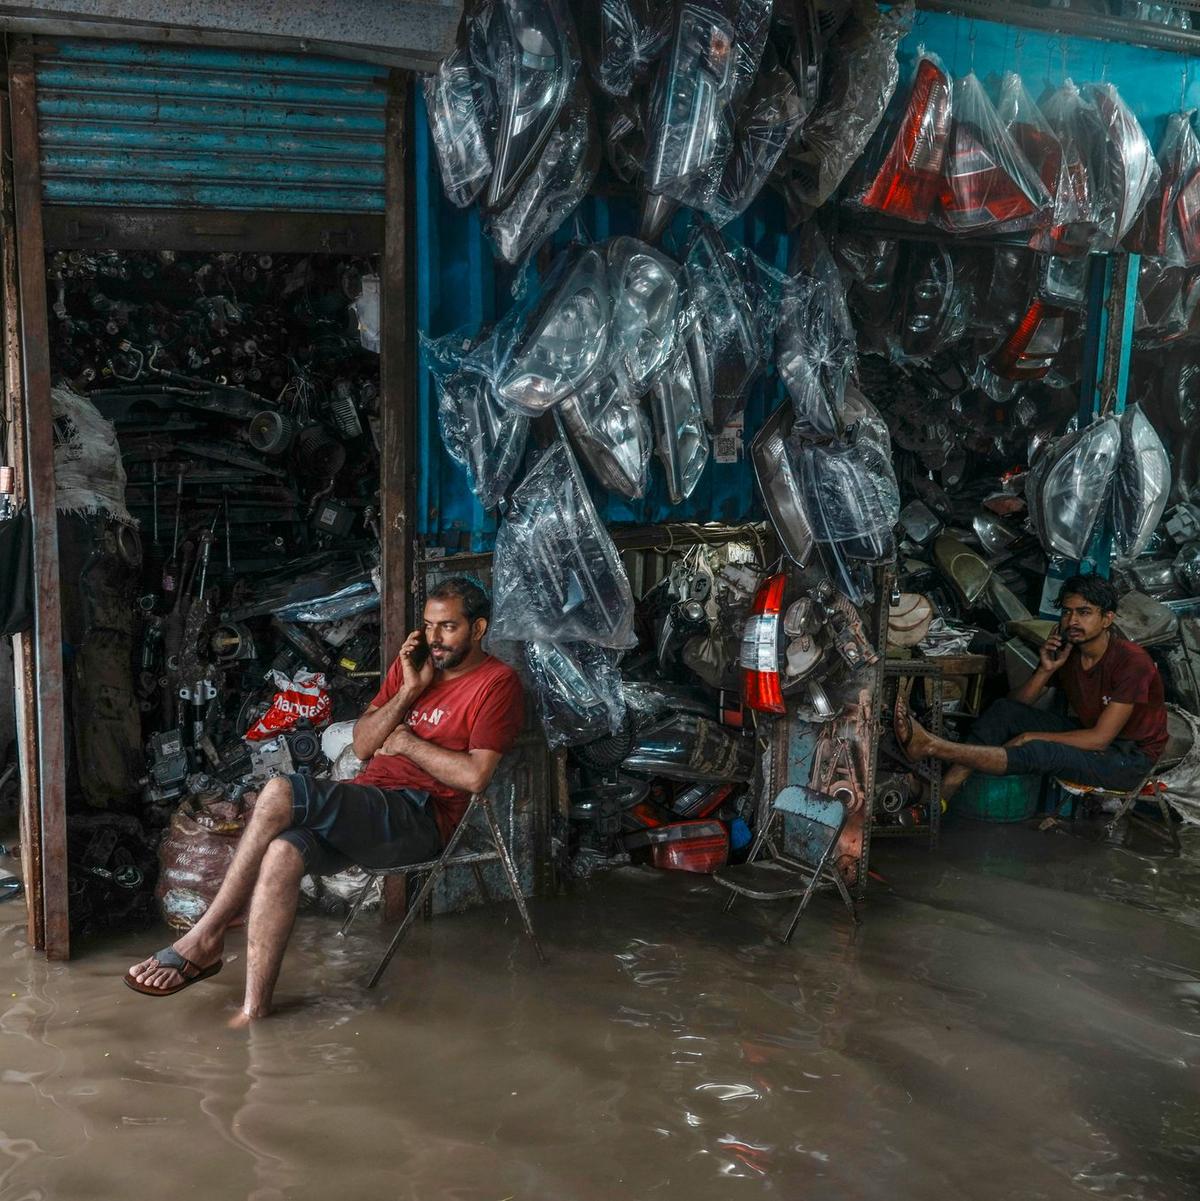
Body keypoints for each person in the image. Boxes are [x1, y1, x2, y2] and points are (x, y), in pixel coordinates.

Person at [124, 576, 524, 1021]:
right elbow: (364, 744)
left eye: (448, 627)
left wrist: (409, 744)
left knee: (279, 791)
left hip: (419, 818)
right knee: (282, 852)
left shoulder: (496, 683)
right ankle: (254, 1009)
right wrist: (409, 690)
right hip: (370, 804)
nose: (435, 638)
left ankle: (205, 937)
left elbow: (474, 776)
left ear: (479, 628)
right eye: (429, 626)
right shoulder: (413, 669)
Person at [896, 574, 1168, 805]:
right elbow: (1018, 704)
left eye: (1084, 613)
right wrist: (1045, 669)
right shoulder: (1069, 653)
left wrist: (1030, 737)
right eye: (1067, 612)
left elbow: (1099, 740)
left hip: (1129, 758)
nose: (1072, 621)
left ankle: (933, 746)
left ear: (1107, 619)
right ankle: (943, 794)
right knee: (1004, 712)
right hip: (1091, 734)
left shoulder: (1132, 662)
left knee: (1042, 750)